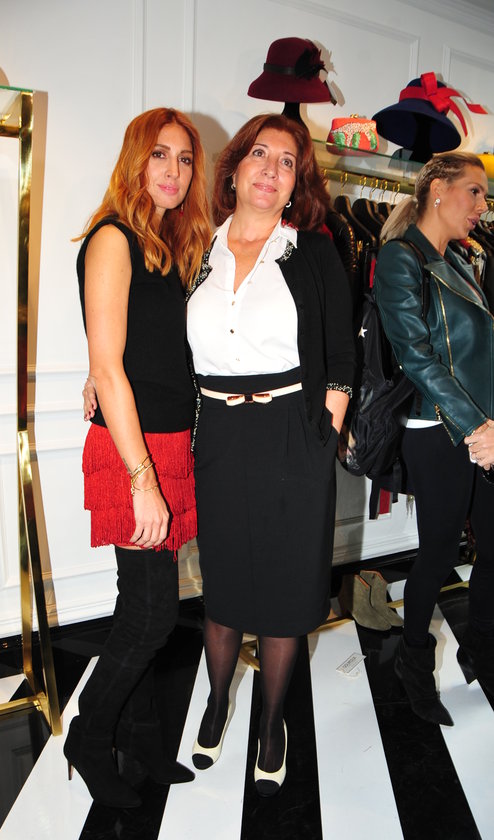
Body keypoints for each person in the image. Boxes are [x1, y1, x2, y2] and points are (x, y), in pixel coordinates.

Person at [185, 113, 355, 796]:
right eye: (260, 153)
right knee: (224, 585)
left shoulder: (312, 252)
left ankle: (273, 720)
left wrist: (322, 438)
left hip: (292, 431)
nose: (271, 169)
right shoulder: (196, 247)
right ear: (234, 169)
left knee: (286, 590)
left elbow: (341, 356)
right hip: (219, 437)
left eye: (288, 162)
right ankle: (218, 700)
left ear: (296, 183)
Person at [65, 107, 211, 808]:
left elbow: (137, 350)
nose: (174, 171)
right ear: (134, 160)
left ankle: (145, 738)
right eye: (160, 155)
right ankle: (90, 736)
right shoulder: (112, 239)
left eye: (185, 158)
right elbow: (110, 366)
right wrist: (141, 480)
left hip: (168, 443)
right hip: (136, 452)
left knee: (147, 605)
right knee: (151, 615)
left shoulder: (166, 245)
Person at [374, 151, 494, 726]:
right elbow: (415, 356)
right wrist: (476, 426)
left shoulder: (462, 261)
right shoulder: (401, 257)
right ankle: (414, 663)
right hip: (439, 427)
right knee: (440, 552)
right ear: (438, 190)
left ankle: (482, 648)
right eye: (475, 191)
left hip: (484, 427)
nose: (482, 206)